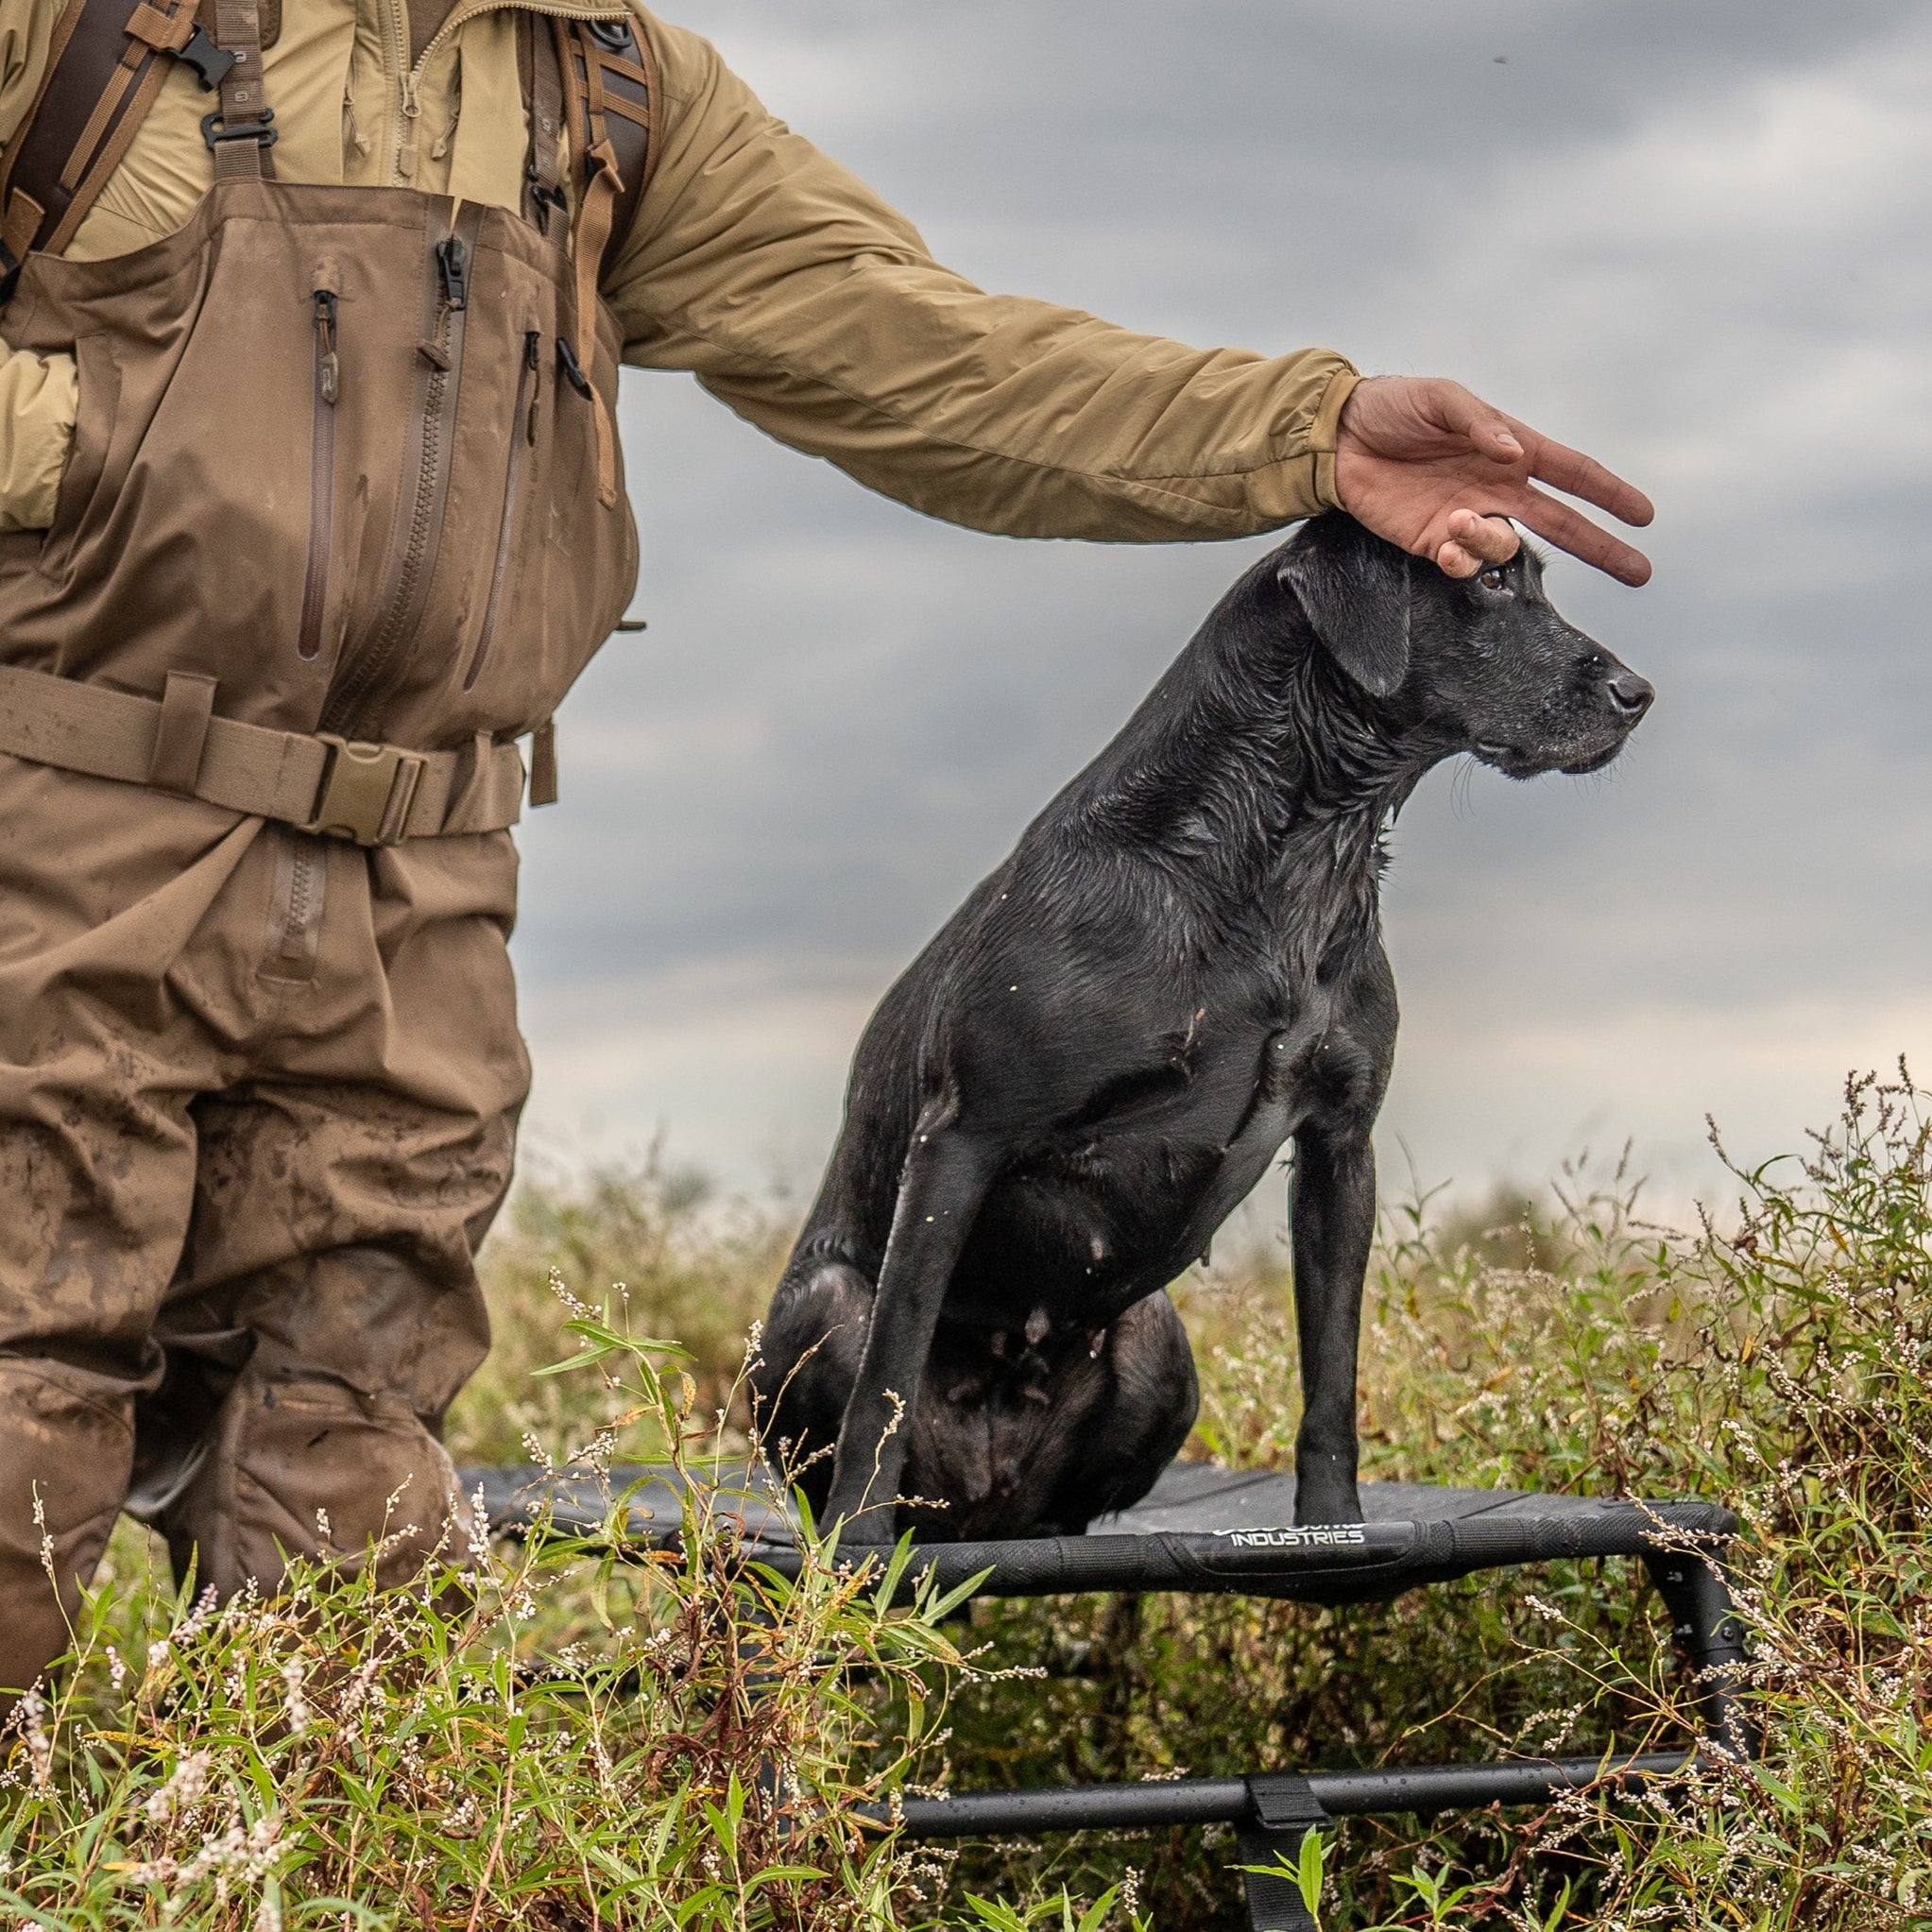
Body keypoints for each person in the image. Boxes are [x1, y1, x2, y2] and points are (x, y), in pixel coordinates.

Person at [0, 0, 1652, 1700]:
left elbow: (933, 359)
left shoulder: (606, 81)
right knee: (16, 1408)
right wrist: (103, 446)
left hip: (421, 872)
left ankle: (312, 1831)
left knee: (343, 1456)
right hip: (65, 814)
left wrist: (1307, 433)